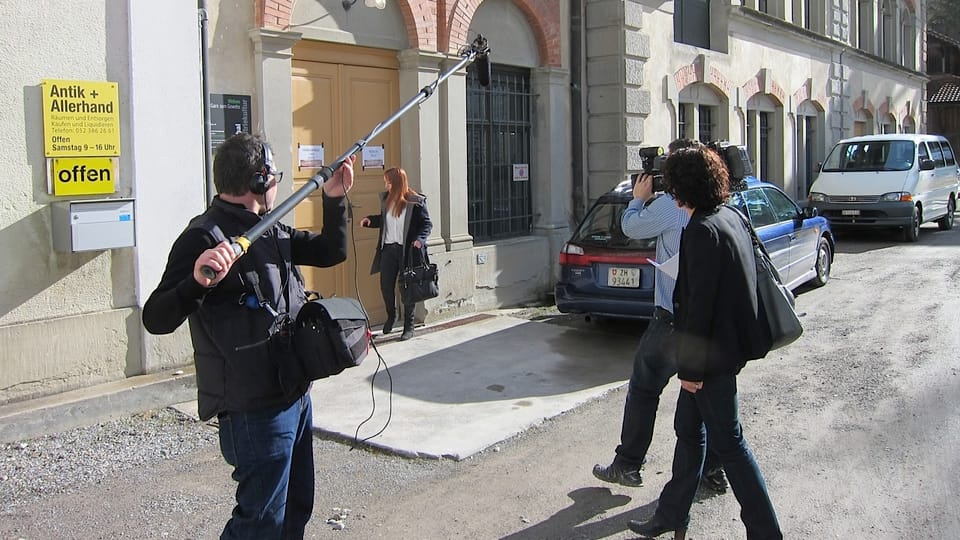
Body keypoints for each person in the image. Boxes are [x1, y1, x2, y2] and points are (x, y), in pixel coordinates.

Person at [142, 132, 356, 539]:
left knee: (295, 509)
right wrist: (196, 280)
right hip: (255, 408)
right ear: (259, 181)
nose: (278, 183)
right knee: (260, 522)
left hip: (294, 392)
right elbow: (156, 317)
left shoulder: (270, 228)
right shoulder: (204, 237)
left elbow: (332, 251)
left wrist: (333, 197)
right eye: (274, 176)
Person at [627, 145, 782, 539]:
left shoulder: (701, 230)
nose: (671, 194)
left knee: (731, 445)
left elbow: (700, 308)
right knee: (687, 429)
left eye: (674, 185)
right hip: (726, 351)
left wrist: (691, 372)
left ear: (684, 187)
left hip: (709, 360)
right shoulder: (728, 214)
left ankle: (766, 533)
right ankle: (672, 515)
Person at [592, 139, 727, 493]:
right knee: (705, 398)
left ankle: (628, 464)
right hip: (710, 319)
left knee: (644, 387)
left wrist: (638, 198)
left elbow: (631, 227)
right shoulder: (721, 204)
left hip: (672, 317)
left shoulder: (671, 204)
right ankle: (712, 471)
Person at [359, 166, 433, 341]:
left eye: (388, 181)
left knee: (408, 289)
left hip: (407, 251)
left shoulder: (415, 202)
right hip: (388, 250)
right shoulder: (386, 199)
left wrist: (419, 240)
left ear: (397, 183)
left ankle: (409, 326)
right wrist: (370, 220)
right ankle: (391, 316)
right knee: (386, 285)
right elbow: (384, 220)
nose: (385, 184)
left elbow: (426, 224)